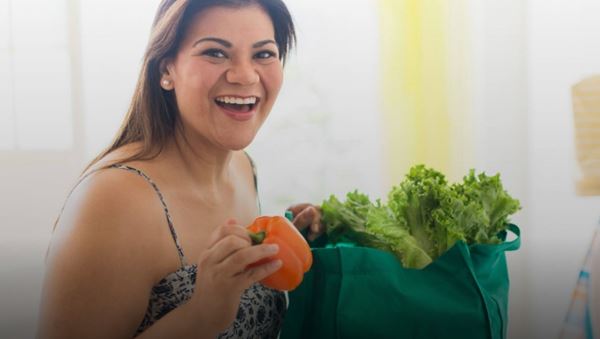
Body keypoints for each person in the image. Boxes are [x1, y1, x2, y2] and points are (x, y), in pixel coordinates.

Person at [36, 0, 324, 338]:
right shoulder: (113, 199)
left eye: (263, 54)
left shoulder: (243, 167)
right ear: (166, 70)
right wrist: (201, 315)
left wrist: (291, 241)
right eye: (215, 53)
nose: (245, 75)